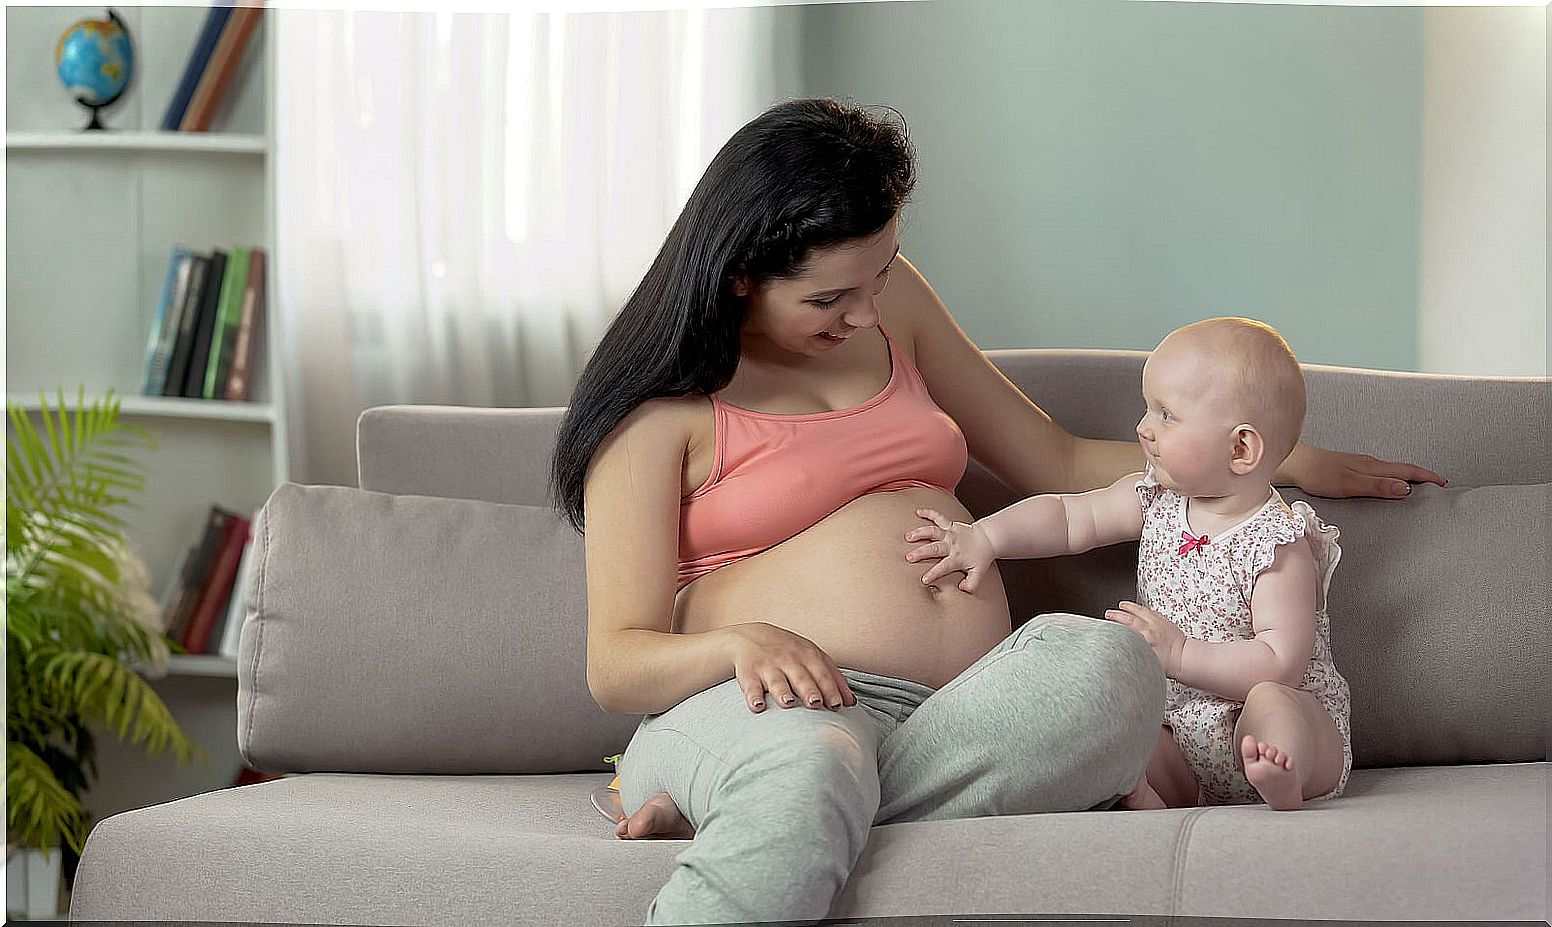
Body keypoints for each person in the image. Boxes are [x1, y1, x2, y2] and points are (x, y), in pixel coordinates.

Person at [548, 98, 1444, 926]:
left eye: (883, 272)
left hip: (958, 714)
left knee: (1111, 665)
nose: (868, 312)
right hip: (767, 704)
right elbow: (614, 662)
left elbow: (1052, 459)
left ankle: (756, 805)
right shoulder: (658, 414)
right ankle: (762, 783)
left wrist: (1288, 461)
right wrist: (741, 642)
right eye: (831, 298)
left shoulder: (888, 305)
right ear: (741, 275)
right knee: (814, 757)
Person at [908, 317, 1351, 812]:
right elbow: (1071, 516)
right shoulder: (1156, 499)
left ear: (1241, 449)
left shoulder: (1277, 542)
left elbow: (1281, 661)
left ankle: (1280, 773)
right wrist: (988, 536)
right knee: (1123, 739)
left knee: (1279, 706)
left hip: (1256, 711)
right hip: (1177, 723)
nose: (1143, 429)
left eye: (1167, 415)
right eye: (1148, 409)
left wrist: (1181, 654)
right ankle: (1143, 791)